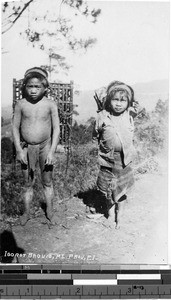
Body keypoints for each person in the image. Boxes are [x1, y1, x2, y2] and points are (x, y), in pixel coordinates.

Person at [12, 67, 60, 226]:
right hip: (27, 149)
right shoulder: (21, 104)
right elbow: (14, 127)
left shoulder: (50, 105)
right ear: (24, 87)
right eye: (30, 86)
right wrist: (19, 150)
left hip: (45, 147)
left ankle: (50, 211)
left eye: (37, 87)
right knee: (28, 182)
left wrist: (52, 152)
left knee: (47, 181)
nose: (33, 90)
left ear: (45, 88)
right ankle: (27, 213)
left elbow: (56, 129)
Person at [93, 80, 141, 228]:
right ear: (108, 101)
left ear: (128, 103)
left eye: (123, 100)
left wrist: (128, 93)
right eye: (115, 100)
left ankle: (119, 215)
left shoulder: (130, 114)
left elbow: (138, 107)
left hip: (124, 160)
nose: (119, 104)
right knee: (108, 188)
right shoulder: (103, 116)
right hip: (107, 159)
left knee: (121, 189)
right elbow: (96, 134)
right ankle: (111, 212)